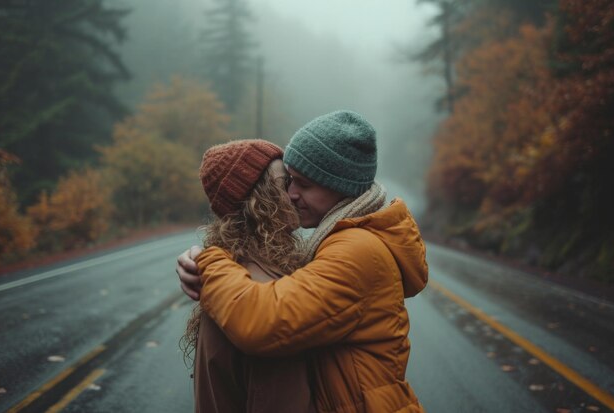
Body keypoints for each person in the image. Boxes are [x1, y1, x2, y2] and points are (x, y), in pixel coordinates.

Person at [177, 110, 429, 412]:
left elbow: (265, 320)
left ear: (340, 185)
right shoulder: (329, 246)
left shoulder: (358, 250)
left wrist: (209, 261)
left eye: (303, 184)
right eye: (288, 182)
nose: (292, 194)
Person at [181, 139, 315, 413]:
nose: (293, 193)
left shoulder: (232, 272)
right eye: (283, 183)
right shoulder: (256, 290)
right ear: (256, 199)